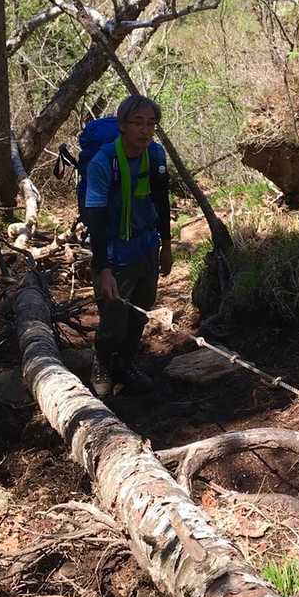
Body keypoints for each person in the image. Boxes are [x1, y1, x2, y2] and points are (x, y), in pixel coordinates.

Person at [84, 94, 172, 396]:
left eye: (151, 123)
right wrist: (103, 269)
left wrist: (166, 246)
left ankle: (125, 364)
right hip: (114, 253)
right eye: (138, 123)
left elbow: (162, 201)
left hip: (146, 247)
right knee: (114, 318)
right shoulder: (103, 162)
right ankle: (102, 363)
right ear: (122, 125)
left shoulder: (155, 156)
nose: (145, 130)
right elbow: (95, 219)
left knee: (140, 313)